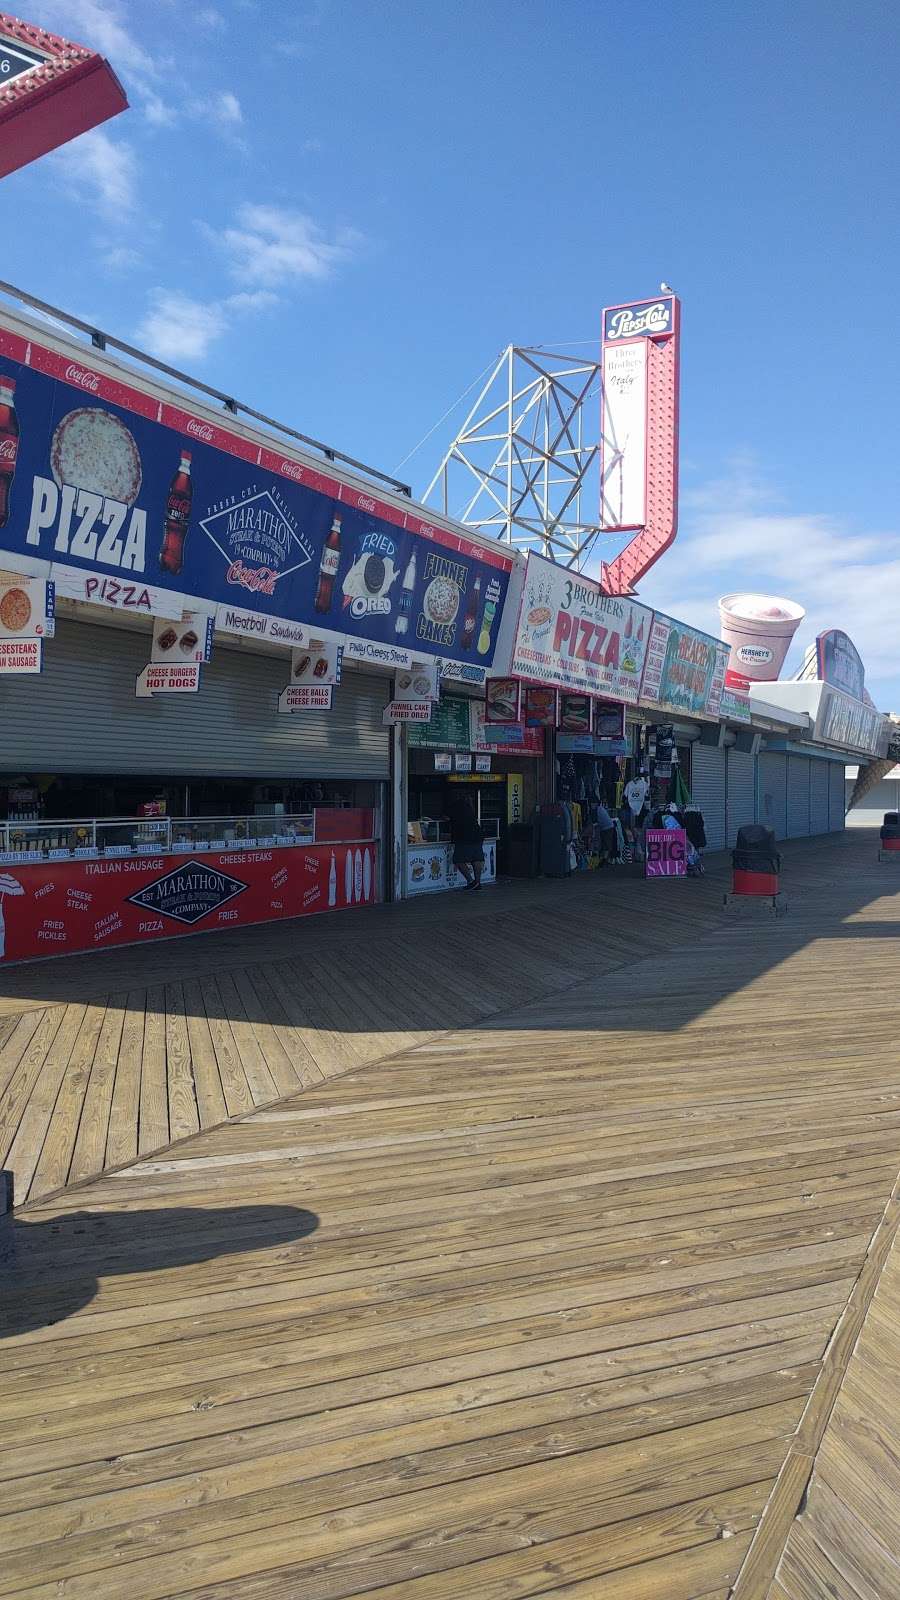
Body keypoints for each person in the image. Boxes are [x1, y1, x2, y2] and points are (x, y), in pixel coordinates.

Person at [449, 795, 485, 890]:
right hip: (477, 835)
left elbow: (450, 819)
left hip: (464, 837)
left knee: (458, 859)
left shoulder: (455, 808)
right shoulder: (470, 809)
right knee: (477, 858)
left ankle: (470, 881)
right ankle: (477, 882)